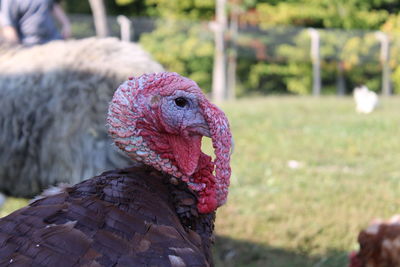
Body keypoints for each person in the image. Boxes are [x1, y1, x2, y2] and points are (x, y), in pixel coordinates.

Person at [0, 0, 71, 46]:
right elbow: (8, 27)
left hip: (54, 41)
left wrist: (66, 24)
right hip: (29, 45)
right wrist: (17, 49)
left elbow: (53, 6)